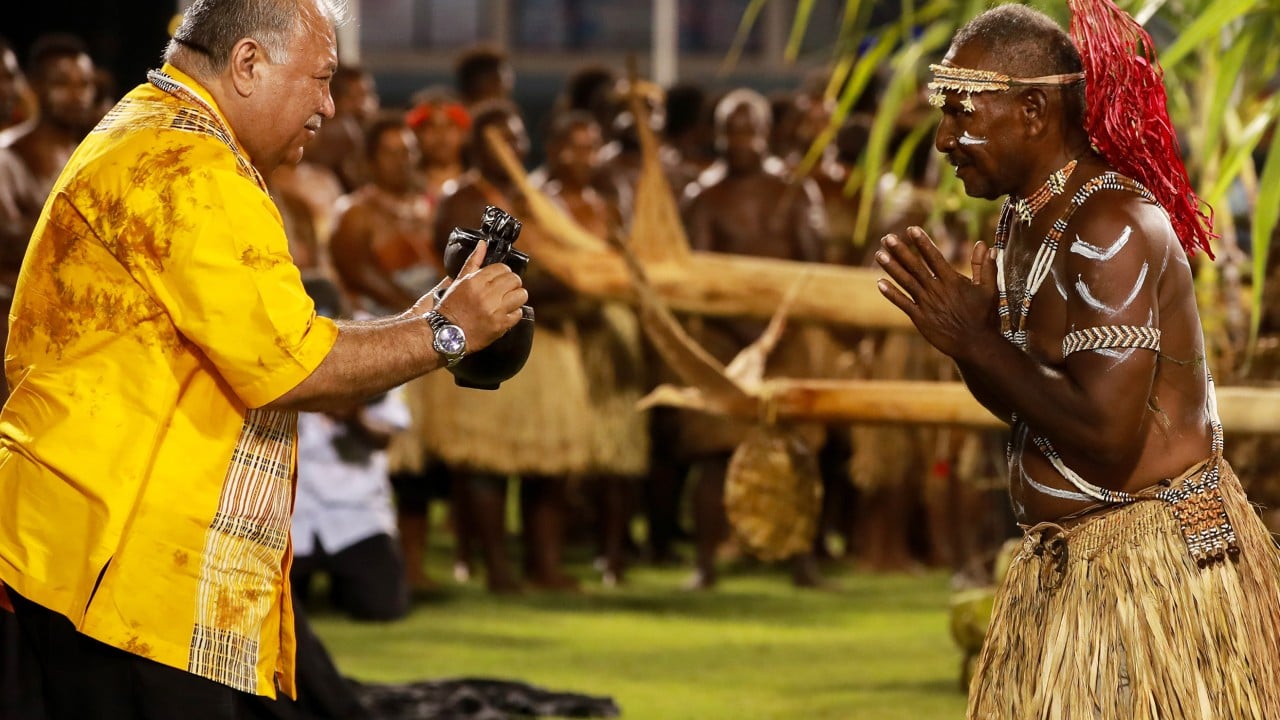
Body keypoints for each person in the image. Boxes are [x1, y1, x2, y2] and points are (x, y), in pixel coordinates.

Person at [0, 2, 527, 718]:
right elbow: (295, 365)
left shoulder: (153, 129)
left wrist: (428, 310)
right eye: (320, 78)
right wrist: (445, 331)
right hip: (119, 567)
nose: (328, 106)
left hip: (84, 545)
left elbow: (277, 333)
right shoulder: (192, 167)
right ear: (248, 64)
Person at [873, 4, 1280, 717]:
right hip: (1072, 568)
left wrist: (978, 342)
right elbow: (1034, 406)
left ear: (1032, 110)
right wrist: (971, 343)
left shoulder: (1110, 225)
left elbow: (1106, 433)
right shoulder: (1024, 218)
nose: (944, 139)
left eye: (963, 113)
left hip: (1150, 580)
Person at [681, 88, 828, 589]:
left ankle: (802, 560)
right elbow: (698, 276)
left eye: (750, 130)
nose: (742, 140)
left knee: (799, 450)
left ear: (767, 133)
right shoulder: (703, 196)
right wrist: (743, 331)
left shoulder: (794, 191)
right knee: (714, 454)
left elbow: (812, 263)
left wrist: (779, 327)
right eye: (733, 130)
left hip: (788, 333)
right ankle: (705, 564)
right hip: (723, 339)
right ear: (718, 135)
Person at [291, 276, 412, 623]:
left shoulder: (371, 346)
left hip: (356, 514)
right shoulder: (274, 345)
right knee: (273, 616)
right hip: (290, 515)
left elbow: (385, 435)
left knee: (381, 607)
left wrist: (354, 418)